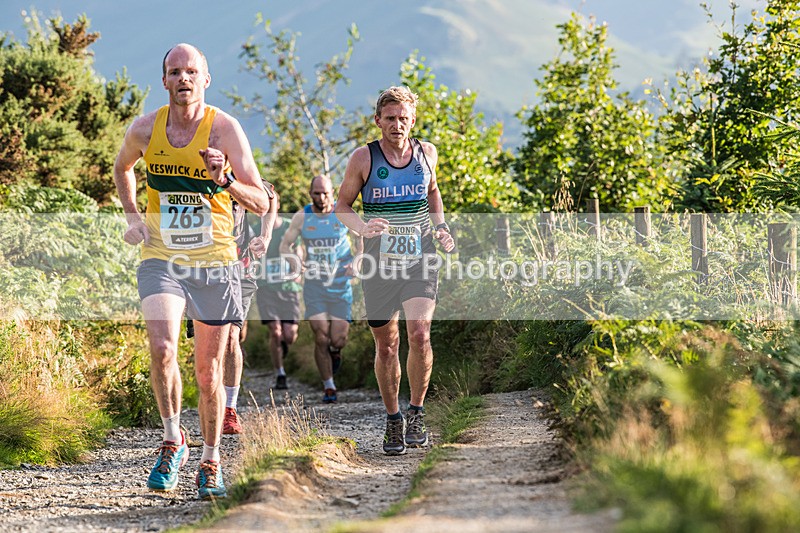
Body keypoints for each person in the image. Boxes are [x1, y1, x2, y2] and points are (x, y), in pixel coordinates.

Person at [113, 43, 271, 500]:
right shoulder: (145, 129)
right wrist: (132, 215)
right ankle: (171, 440)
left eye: (191, 72)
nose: (183, 79)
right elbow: (123, 168)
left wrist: (224, 179)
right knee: (162, 348)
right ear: (164, 81)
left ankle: (211, 460)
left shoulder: (225, 130)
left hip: (216, 261)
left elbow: (260, 201)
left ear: (206, 79)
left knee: (208, 371)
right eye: (175, 71)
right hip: (161, 256)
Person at [335, 86, 455, 455]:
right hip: (379, 263)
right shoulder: (363, 158)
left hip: (421, 256)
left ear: (412, 120)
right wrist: (362, 228)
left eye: (404, 119)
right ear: (378, 121)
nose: (397, 125)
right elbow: (342, 206)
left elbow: (433, 192)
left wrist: (441, 226)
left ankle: (416, 411)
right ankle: (393, 419)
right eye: (390, 118)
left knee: (419, 334)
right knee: (387, 345)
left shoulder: (427, 153)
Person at [280, 175, 362, 404]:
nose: (321, 197)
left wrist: (357, 261)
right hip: (315, 284)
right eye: (316, 193)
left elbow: (362, 236)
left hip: (340, 284)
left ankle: (336, 352)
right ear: (310, 193)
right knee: (320, 334)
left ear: (332, 192)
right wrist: (294, 262)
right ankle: (329, 386)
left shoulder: (342, 213)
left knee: (338, 338)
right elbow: (285, 245)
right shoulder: (303, 216)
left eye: (325, 193)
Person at [220, 179, 278, 434]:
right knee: (209, 342)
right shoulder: (189, 171)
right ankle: (211, 400)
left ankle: (229, 410)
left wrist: (265, 236)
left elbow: (271, 197)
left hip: (239, 267)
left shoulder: (238, 174)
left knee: (232, 336)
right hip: (199, 268)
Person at [254, 197, 304, 391]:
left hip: (288, 288)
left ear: (277, 205)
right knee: (275, 332)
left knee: (289, 335)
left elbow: (298, 251)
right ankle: (280, 373)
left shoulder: (288, 228)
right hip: (266, 288)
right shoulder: (255, 229)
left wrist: (298, 270)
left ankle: (283, 345)